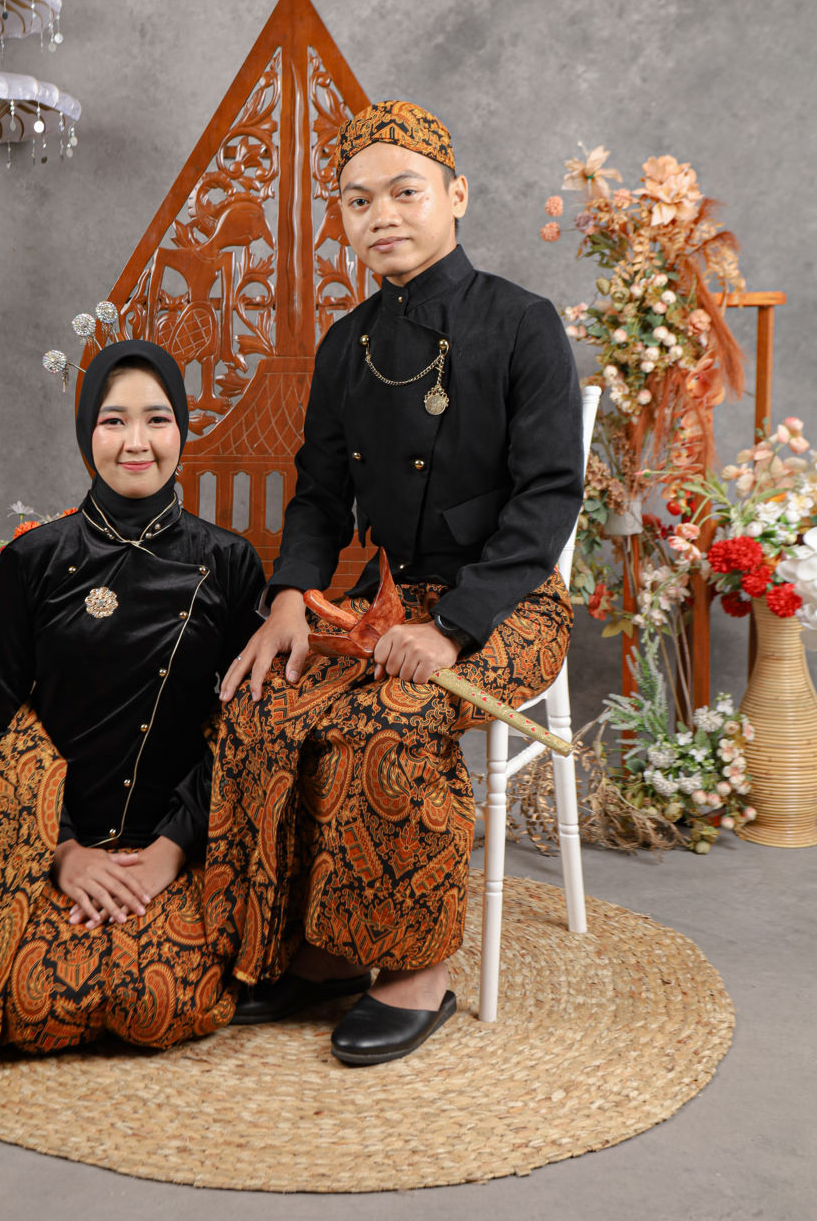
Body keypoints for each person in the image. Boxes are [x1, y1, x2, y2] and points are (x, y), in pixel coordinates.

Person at [210, 100, 584, 1066]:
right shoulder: (347, 345)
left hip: (506, 604)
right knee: (259, 702)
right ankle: (317, 949)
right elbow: (317, 498)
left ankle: (416, 970)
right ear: (342, 218)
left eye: (405, 192)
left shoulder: (522, 324)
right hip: (382, 607)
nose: (382, 214)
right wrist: (289, 600)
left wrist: (452, 627)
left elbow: (548, 498)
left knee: (394, 716)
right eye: (357, 200)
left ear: (456, 196)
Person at [0, 340, 264, 1088]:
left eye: (157, 419)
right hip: (56, 843)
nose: (137, 442)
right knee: (31, 1007)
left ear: (182, 429)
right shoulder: (34, 560)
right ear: (85, 432)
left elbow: (242, 731)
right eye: (113, 421)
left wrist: (168, 854)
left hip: (175, 843)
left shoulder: (228, 562)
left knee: (159, 1002)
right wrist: (64, 854)